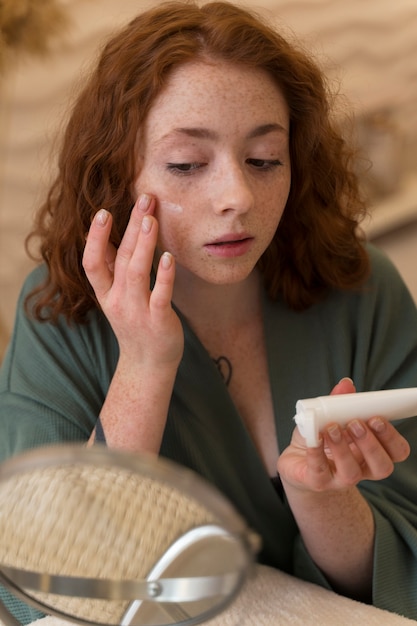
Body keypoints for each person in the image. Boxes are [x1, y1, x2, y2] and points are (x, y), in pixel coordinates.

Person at [1, 1, 417, 623]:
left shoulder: (359, 287)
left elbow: (402, 577)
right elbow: (40, 585)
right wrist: (143, 364)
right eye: (187, 165)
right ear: (118, 174)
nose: (237, 197)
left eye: (264, 160)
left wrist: (323, 501)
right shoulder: (61, 309)